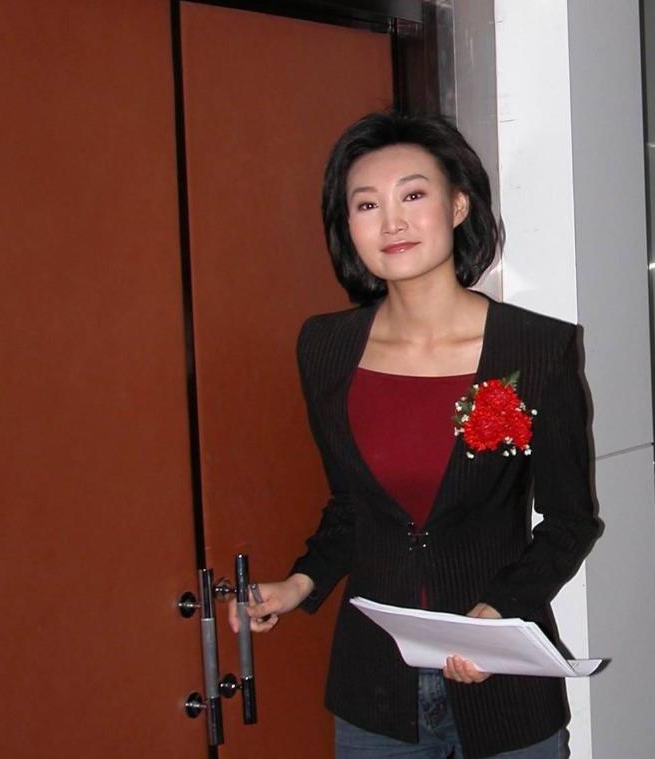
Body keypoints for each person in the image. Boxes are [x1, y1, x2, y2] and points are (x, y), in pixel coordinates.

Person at [229, 111, 599, 759]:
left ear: (458, 205)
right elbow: (352, 505)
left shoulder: (537, 349)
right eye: (367, 204)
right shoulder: (326, 347)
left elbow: (570, 521)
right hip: (376, 692)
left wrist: (498, 612)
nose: (391, 222)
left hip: (504, 688)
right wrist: (299, 583)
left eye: (413, 194)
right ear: (348, 226)